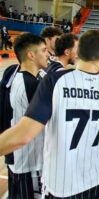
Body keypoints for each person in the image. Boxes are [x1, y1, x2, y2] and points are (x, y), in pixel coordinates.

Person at [0, 29, 99, 198]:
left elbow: (23, 135)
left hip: (62, 182)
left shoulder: (54, 81)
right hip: (96, 178)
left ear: (78, 53)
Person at [0, 33, 49, 199]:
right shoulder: (31, 84)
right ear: (31, 55)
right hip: (30, 163)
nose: (47, 54)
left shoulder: (14, 73)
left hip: (17, 158)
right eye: (43, 50)